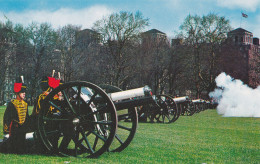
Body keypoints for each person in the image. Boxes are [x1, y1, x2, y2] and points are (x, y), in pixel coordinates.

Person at [2, 77, 30, 154]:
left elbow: (27, 117)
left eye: (24, 92)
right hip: (15, 128)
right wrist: (7, 129)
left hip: (23, 129)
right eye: (22, 92)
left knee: (22, 146)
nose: (24, 94)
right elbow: (7, 117)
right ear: (17, 93)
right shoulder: (12, 104)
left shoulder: (25, 104)